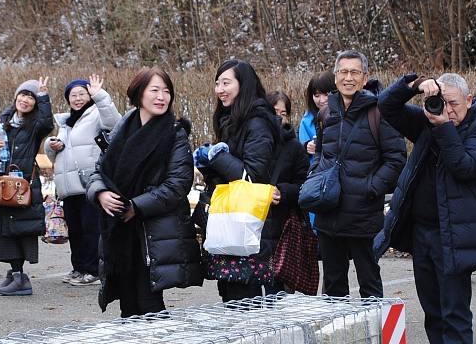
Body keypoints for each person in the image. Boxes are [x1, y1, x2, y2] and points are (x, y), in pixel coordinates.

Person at [374, 72, 476, 344]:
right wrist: (415, 87)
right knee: (432, 306)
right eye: (444, 103)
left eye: (455, 104)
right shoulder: (430, 120)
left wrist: (443, 125)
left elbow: (465, 166)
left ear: (470, 101)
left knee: (455, 306)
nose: (448, 111)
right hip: (423, 232)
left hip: (456, 233)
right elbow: (385, 107)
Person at [87, 67, 203, 317]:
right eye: (155, 90)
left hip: (153, 233)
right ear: (139, 94)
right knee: (128, 305)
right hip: (118, 231)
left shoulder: (174, 133)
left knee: (149, 305)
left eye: (166, 91)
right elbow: (99, 171)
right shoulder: (123, 127)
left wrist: (136, 206)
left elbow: (178, 185)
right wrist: (100, 194)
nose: (162, 97)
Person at [311, 50, 406, 298]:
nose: (348, 77)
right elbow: (320, 153)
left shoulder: (379, 111)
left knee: (368, 279)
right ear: (335, 77)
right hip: (328, 209)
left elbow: (396, 158)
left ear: (365, 78)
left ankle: (375, 333)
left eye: (355, 72)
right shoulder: (325, 114)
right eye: (343, 71)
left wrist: (372, 187)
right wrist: (315, 175)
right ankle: (337, 335)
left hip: (363, 211)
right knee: (333, 282)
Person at [193, 59, 280, 301]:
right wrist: (208, 164)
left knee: (246, 303)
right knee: (231, 298)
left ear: (244, 85)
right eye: (217, 83)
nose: (220, 89)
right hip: (231, 223)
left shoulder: (258, 121)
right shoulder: (231, 119)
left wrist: (217, 156)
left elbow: (251, 177)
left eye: (226, 83)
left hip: (248, 226)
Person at [45, 75, 120, 286]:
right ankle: (79, 267)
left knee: (91, 229)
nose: (77, 98)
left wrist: (100, 96)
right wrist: (51, 147)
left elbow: (114, 123)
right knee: (76, 230)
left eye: (82, 94)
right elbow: (56, 156)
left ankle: (95, 269)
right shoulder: (65, 122)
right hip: (69, 187)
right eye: (73, 95)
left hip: (91, 183)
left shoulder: (96, 114)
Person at [0, 78, 54, 296]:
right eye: (23, 95)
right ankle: (14, 273)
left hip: (23, 186)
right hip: (3, 185)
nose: (25, 100)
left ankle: (20, 278)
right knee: (5, 230)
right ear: (16, 96)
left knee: (20, 229)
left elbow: (47, 123)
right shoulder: (5, 120)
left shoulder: (35, 125)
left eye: (31, 98)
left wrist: (44, 97)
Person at [265, 91, 310, 294]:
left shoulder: (295, 148)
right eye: (274, 112)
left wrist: (283, 192)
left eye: (284, 113)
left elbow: (303, 185)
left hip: (283, 227)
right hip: (253, 225)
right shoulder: (254, 142)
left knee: (279, 293)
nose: (279, 117)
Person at [299, 71, 336, 162]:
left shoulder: (346, 115)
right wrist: (307, 146)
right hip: (317, 171)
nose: (322, 100)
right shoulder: (306, 121)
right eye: (317, 95)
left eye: (326, 94)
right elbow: (299, 151)